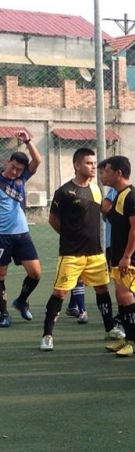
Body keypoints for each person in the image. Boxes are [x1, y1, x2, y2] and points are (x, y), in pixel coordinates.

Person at [39, 148, 125, 350]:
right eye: (88, 163)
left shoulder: (96, 188)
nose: (93, 166)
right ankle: (47, 335)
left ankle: (109, 328)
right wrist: (70, 236)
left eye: (95, 163)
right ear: (77, 165)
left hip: (95, 252)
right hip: (71, 253)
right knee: (60, 293)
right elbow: (53, 220)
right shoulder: (64, 192)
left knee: (102, 289)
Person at [100, 156, 135, 356]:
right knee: (121, 298)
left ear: (119, 173)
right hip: (119, 255)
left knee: (126, 296)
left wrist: (128, 255)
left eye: (106, 171)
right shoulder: (119, 195)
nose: (103, 175)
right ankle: (128, 339)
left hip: (132, 258)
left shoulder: (132, 196)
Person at [0, 131, 43, 327]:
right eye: (13, 167)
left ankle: (21, 301)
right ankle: (3, 314)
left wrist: (27, 141)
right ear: (7, 162)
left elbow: (37, 159)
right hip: (2, 236)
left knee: (35, 273)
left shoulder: (23, 178)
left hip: (21, 234)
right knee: (1, 275)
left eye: (19, 170)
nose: (15, 172)